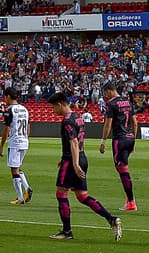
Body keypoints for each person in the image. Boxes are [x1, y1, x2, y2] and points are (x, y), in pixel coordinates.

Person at [48, 92, 122, 242]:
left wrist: (73, 163)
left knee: (61, 193)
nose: (53, 111)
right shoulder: (78, 117)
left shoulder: (67, 121)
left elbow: (74, 142)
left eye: (54, 107)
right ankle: (111, 219)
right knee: (82, 196)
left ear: (60, 104)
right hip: (82, 157)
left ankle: (67, 231)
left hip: (72, 160)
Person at [99, 82, 138, 211]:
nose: (106, 96)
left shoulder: (111, 104)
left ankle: (131, 202)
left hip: (119, 140)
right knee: (122, 167)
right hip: (129, 138)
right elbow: (135, 122)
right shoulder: (127, 101)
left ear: (109, 91)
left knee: (122, 169)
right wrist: (133, 138)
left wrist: (103, 141)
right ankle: (129, 197)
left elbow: (107, 124)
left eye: (106, 93)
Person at [0, 86, 33, 205]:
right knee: (17, 168)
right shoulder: (24, 109)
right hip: (24, 142)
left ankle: (21, 196)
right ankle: (26, 190)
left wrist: (1, 146)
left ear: (8, 96)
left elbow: (6, 129)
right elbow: (28, 127)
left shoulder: (9, 110)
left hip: (15, 142)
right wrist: (25, 138)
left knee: (14, 170)